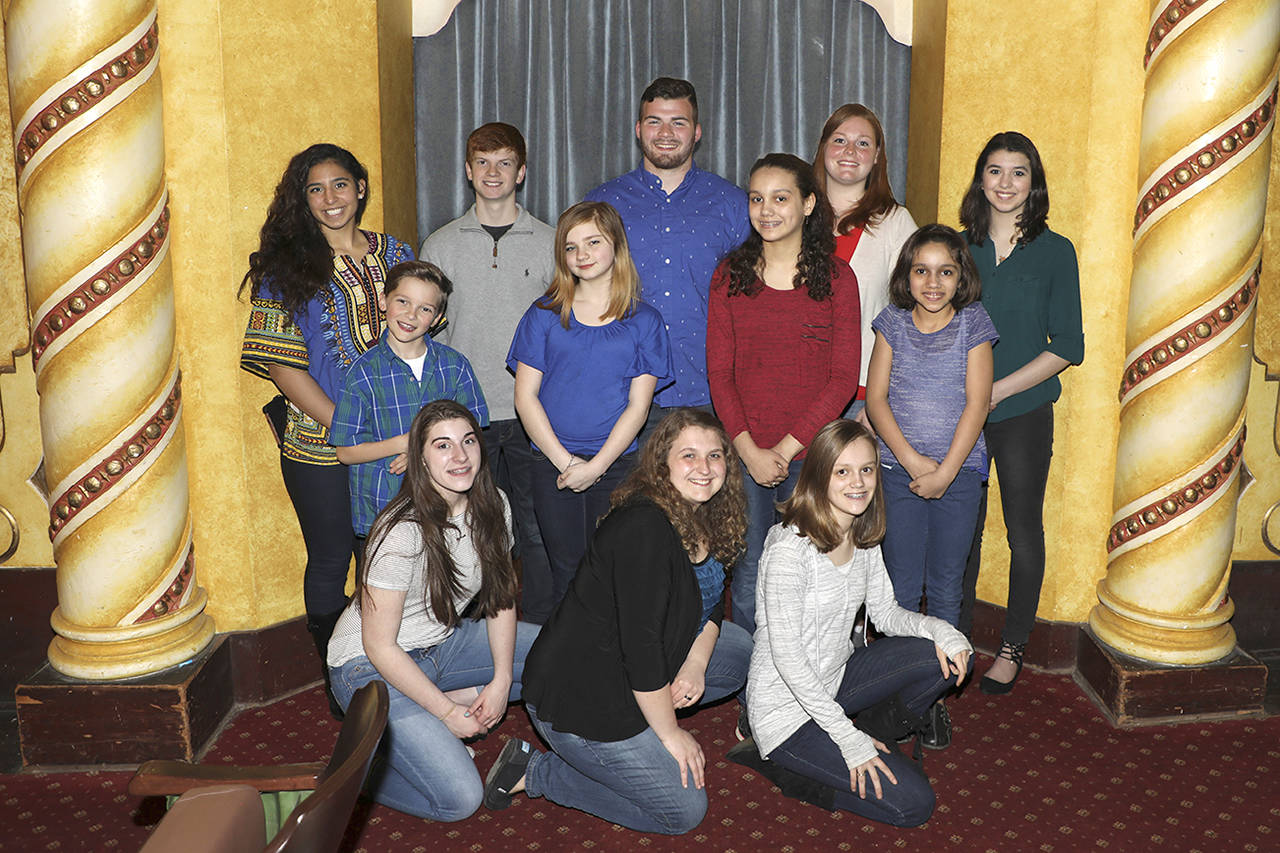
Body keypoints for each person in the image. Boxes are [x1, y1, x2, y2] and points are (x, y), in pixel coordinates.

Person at [481, 408, 752, 834]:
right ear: (663, 464)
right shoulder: (644, 528)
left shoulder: (708, 514)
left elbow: (713, 602)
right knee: (683, 811)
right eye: (689, 456)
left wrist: (695, 665)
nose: (704, 469)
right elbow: (641, 650)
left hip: (638, 664)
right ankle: (534, 772)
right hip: (584, 694)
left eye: (715, 456)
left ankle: (646, 724)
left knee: (737, 652)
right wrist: (670, 734)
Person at [239, 143, 414, 708]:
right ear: (303, 199)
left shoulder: (395, 253)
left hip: (396, 441)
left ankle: (392, 665)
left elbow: (421, 333)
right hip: (321, 443)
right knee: (334, 556)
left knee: (387, 554)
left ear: (361, 187)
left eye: (340, 184)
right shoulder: (287, 266)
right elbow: (281, 364)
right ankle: (340, 678)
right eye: (315, 189)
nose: (330, 198)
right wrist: (348, 427)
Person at [745, 419, 972, 827]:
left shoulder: (860, 534)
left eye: (867, 469)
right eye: (843, 471)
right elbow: (789, 661)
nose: (859, 482)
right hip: (786, 713)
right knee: (914, 805)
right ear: (818, 476)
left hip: (836, 679)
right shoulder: (789, 550)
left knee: (935, 657)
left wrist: (944, 631)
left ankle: (874, 731)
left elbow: (885, 614)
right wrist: (848, 741)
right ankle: (798, 771)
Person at [326, 400, 539, 822]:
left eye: (468, 441)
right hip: (367, 667)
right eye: (442, 446)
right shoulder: (400, 532)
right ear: (419, 458)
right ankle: (353, 773)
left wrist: (499, 679)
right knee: (459, 800)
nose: (460, 457)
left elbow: (500, 600)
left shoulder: (494, 505)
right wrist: (445, 712)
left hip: (441, 644)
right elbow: (379, 645)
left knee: (559, 655)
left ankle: (442, 701)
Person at [706, 152, 860, 635]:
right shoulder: (729, 275)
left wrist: (787, 450)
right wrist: (750, 450)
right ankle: (758, 691)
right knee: (750, 572)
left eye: (780, 198)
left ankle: (815, 682)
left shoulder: (837, 280)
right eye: (756, 198)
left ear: (809, 204)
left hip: (813, 457)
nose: (766, 210)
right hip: (746, 454)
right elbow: (719, 372)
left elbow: (842, 378)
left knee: (813, 574)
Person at [958, 132, 1084, 694]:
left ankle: (1012, 646)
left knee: (1022, 533)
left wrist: (998, 391)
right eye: (995, 171)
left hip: (1022, 410)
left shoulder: (1056, 251)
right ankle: (951, 639)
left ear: (1034, 185)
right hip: (956, 412)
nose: (1005, 184)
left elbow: (1067, 346)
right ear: (980, 179)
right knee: (959, 530)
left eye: (1018, 173)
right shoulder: (959, 249)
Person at [419, 122, 557, 623]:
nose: (492, 173)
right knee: (472, 534)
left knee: (536, 531)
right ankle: (469, 638)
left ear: (521, 171)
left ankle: (538, 638)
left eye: (503, 163)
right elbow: (425, 335)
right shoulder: (439, 245)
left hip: (531, 415)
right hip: (464, 420)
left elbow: (562, 330)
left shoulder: (551, 242)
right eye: (482, 163)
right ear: (468, 171)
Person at [864, 224, 996, 745]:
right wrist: (914, 461)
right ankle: (893, 691)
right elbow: (875, 401)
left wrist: (943, 471)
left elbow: (977, 403)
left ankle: (930, 699)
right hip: (898, 474)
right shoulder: (892, 323)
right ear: (906, 275)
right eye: (922, 271)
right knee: (898, 587)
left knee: (944, 589)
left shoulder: (974, 325)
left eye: (945, 271)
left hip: (959, 477)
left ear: (961, 276)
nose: (933, 282)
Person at [507, 201, 672, 615]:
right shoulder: (543, 315)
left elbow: (639, 406)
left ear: (616, 245)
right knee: (565, 572)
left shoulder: (644, 320)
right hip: (550, 463)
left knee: (613, 570)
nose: (581, 254)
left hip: (617, 464)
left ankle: (611, 666)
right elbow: (524, 398)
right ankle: (571, 671)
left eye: (593, 242)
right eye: (570, 246)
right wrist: (566, 463)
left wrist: (595, 467)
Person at [585, 76, 749, 425]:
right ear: (638, 129)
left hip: (712, 395)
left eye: (678, 122)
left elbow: (754, 301)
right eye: (654, 121)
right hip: (620, 395)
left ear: (697, 132)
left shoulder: (733, 204)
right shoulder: (601, 204)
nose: (665, 132)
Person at [329, 260, 489, 547]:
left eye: (425, 308)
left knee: (446, 587)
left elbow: (475, 430)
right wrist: (409, 443)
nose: (411, 315)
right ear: (383, 301)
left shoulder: (454, 366)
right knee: (387, 590)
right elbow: (346, 452)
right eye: (402, 301)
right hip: (386, 510)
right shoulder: (363, 373)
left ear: (438, 317)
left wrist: (422, 454)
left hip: (448, 509)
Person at [812, 104, 918, 421]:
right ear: (823, 148)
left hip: (861, 398)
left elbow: (915, 319)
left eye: (863, 143)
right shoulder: (793, 216)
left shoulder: (896, 223)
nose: (850, 151)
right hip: (796, 391)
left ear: (876, 156)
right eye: (840, 140)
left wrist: (879, 406)